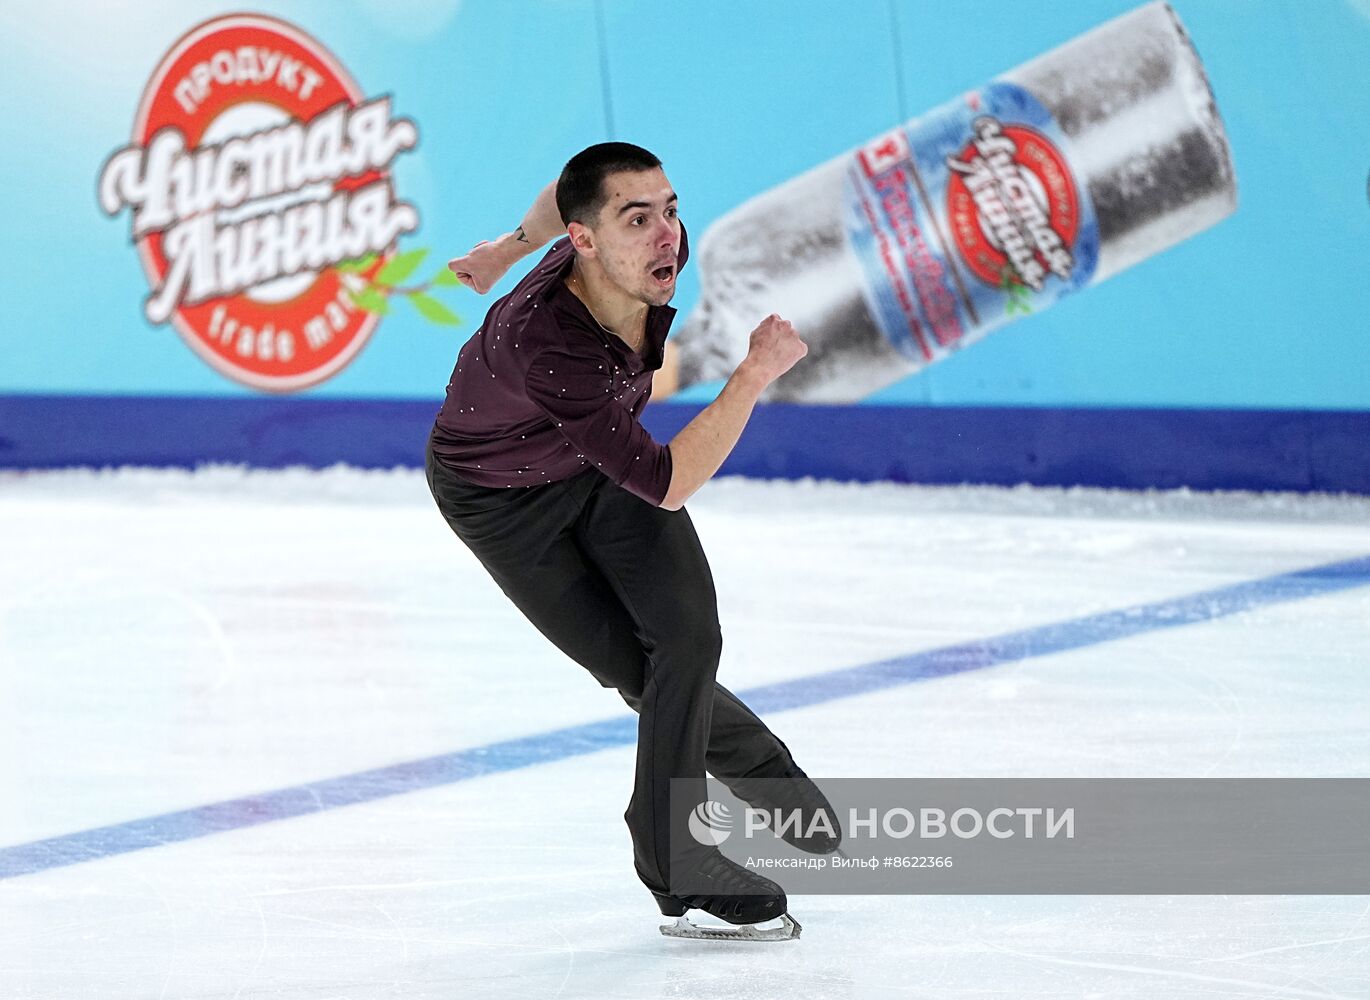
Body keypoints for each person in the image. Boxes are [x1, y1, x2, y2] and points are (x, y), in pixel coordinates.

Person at [426, 142, 838, 940]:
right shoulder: (549, 343)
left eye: (671, 212)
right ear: (585, 241)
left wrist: (501, 248)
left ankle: (762, 778)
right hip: (500, 504)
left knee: (689, 638)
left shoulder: (593, 241)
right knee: (633, 665)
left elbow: (560, 191)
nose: (666, 236)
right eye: (638, 220)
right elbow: (671, 481)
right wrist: (752, 375)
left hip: (593, 463)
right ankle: (677, 862)